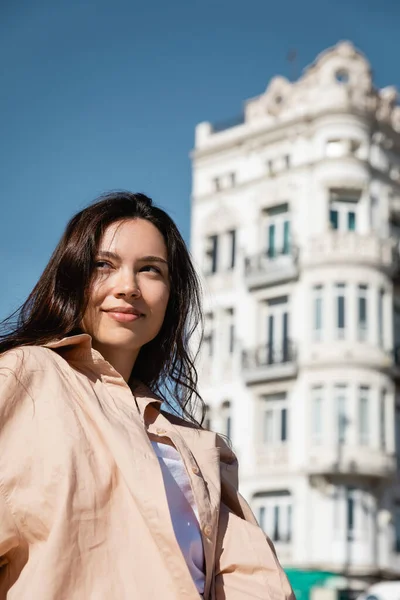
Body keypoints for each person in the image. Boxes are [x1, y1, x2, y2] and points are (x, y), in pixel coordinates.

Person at [0, 191, 294, 600]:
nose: (128, 287)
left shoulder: (199, 447)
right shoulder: (26, 375)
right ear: (73, 276)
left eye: (151, 270)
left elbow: (256, 584)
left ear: (172, 294)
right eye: (104, 264)